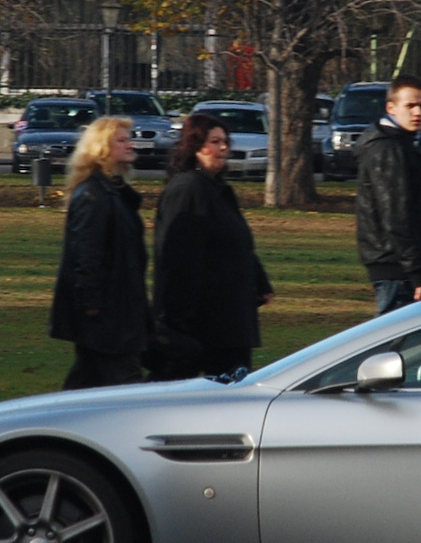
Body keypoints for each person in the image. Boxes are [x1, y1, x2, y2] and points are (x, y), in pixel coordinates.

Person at [152, 114, 274, 379]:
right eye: (215, 142)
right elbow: (177, 258)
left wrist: (260, 283)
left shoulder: (215, 189)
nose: (223, 148)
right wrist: (177, 320)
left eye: (225, 142)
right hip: (207, 324)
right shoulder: (188, 190)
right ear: (195, 146)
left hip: (228, 321)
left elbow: (237, 242)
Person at [47, 116, 151, 389]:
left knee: (85, 384)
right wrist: (92, 306)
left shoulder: (114, 193)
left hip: (116, 313)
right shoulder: (94, 196)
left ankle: (56, 426)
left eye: (129, 138)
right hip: (108, 317)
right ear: (102, 148)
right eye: (121, 140)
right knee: (127, 388)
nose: (130, 144)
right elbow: (86, 254)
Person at [355, 74, 421, 315]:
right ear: (390, 108)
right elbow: (397, 217)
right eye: (410, 105)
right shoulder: (388, 150)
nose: (418, 112)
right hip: (397, 268)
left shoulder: (406, 144)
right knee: (397, 347)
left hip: (402, 266)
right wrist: (417, 276)